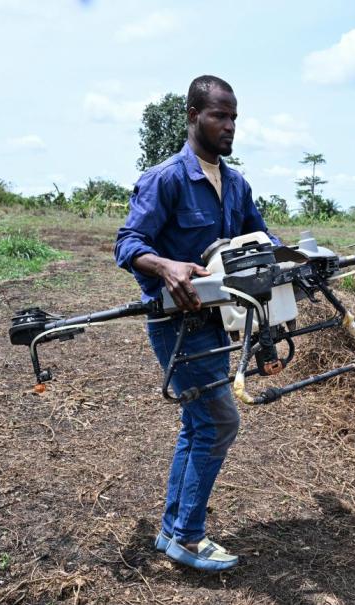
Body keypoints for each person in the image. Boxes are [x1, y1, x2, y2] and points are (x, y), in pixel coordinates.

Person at [114, 75, 279, 572]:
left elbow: (259, 243)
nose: (228, 126)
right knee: (219, 420)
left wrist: (294, 265)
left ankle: (173, 531)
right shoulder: (165, 178)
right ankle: (187, 537)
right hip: (176, 324)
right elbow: (127, 243)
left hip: (219, 321)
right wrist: (164, 266)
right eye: (218, 115)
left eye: (233, 117)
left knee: (198, 422)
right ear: (192, 115)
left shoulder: (236, 183)